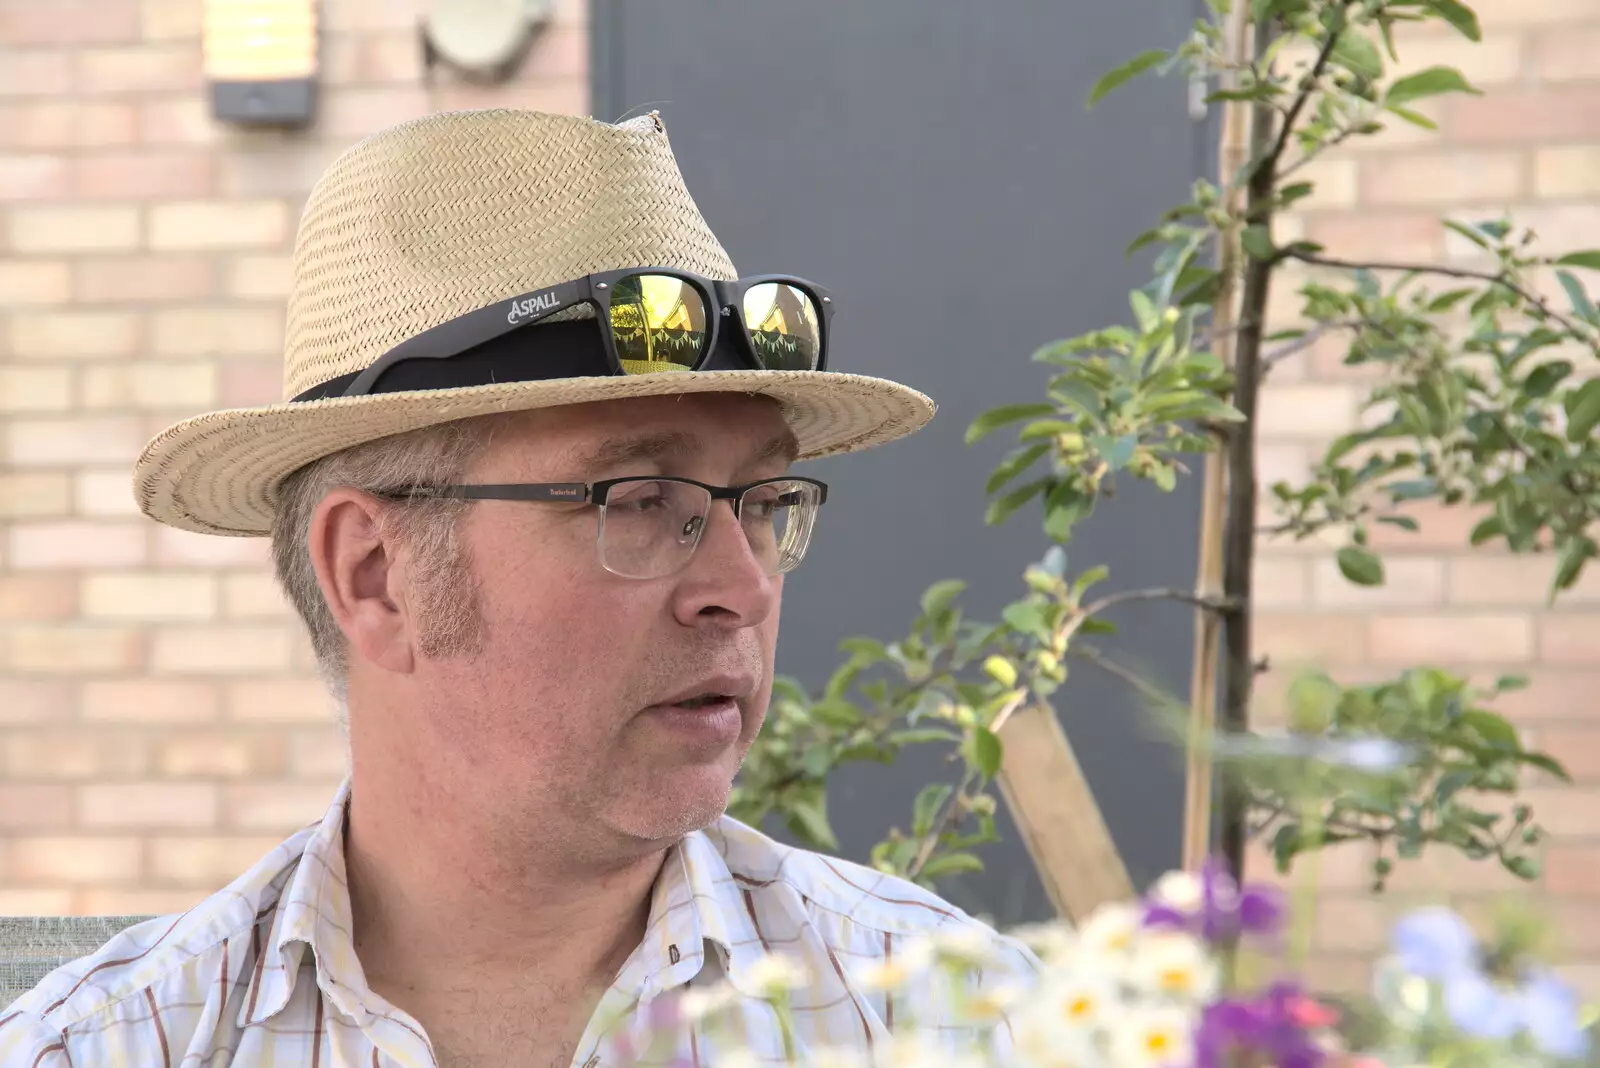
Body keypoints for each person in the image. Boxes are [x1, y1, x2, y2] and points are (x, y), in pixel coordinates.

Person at [0, 109, 1037, 1067]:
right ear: (376, 575)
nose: (741, 586)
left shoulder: (956, 1021)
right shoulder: (107, 1048)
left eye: (761, 501)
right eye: (640, 497)